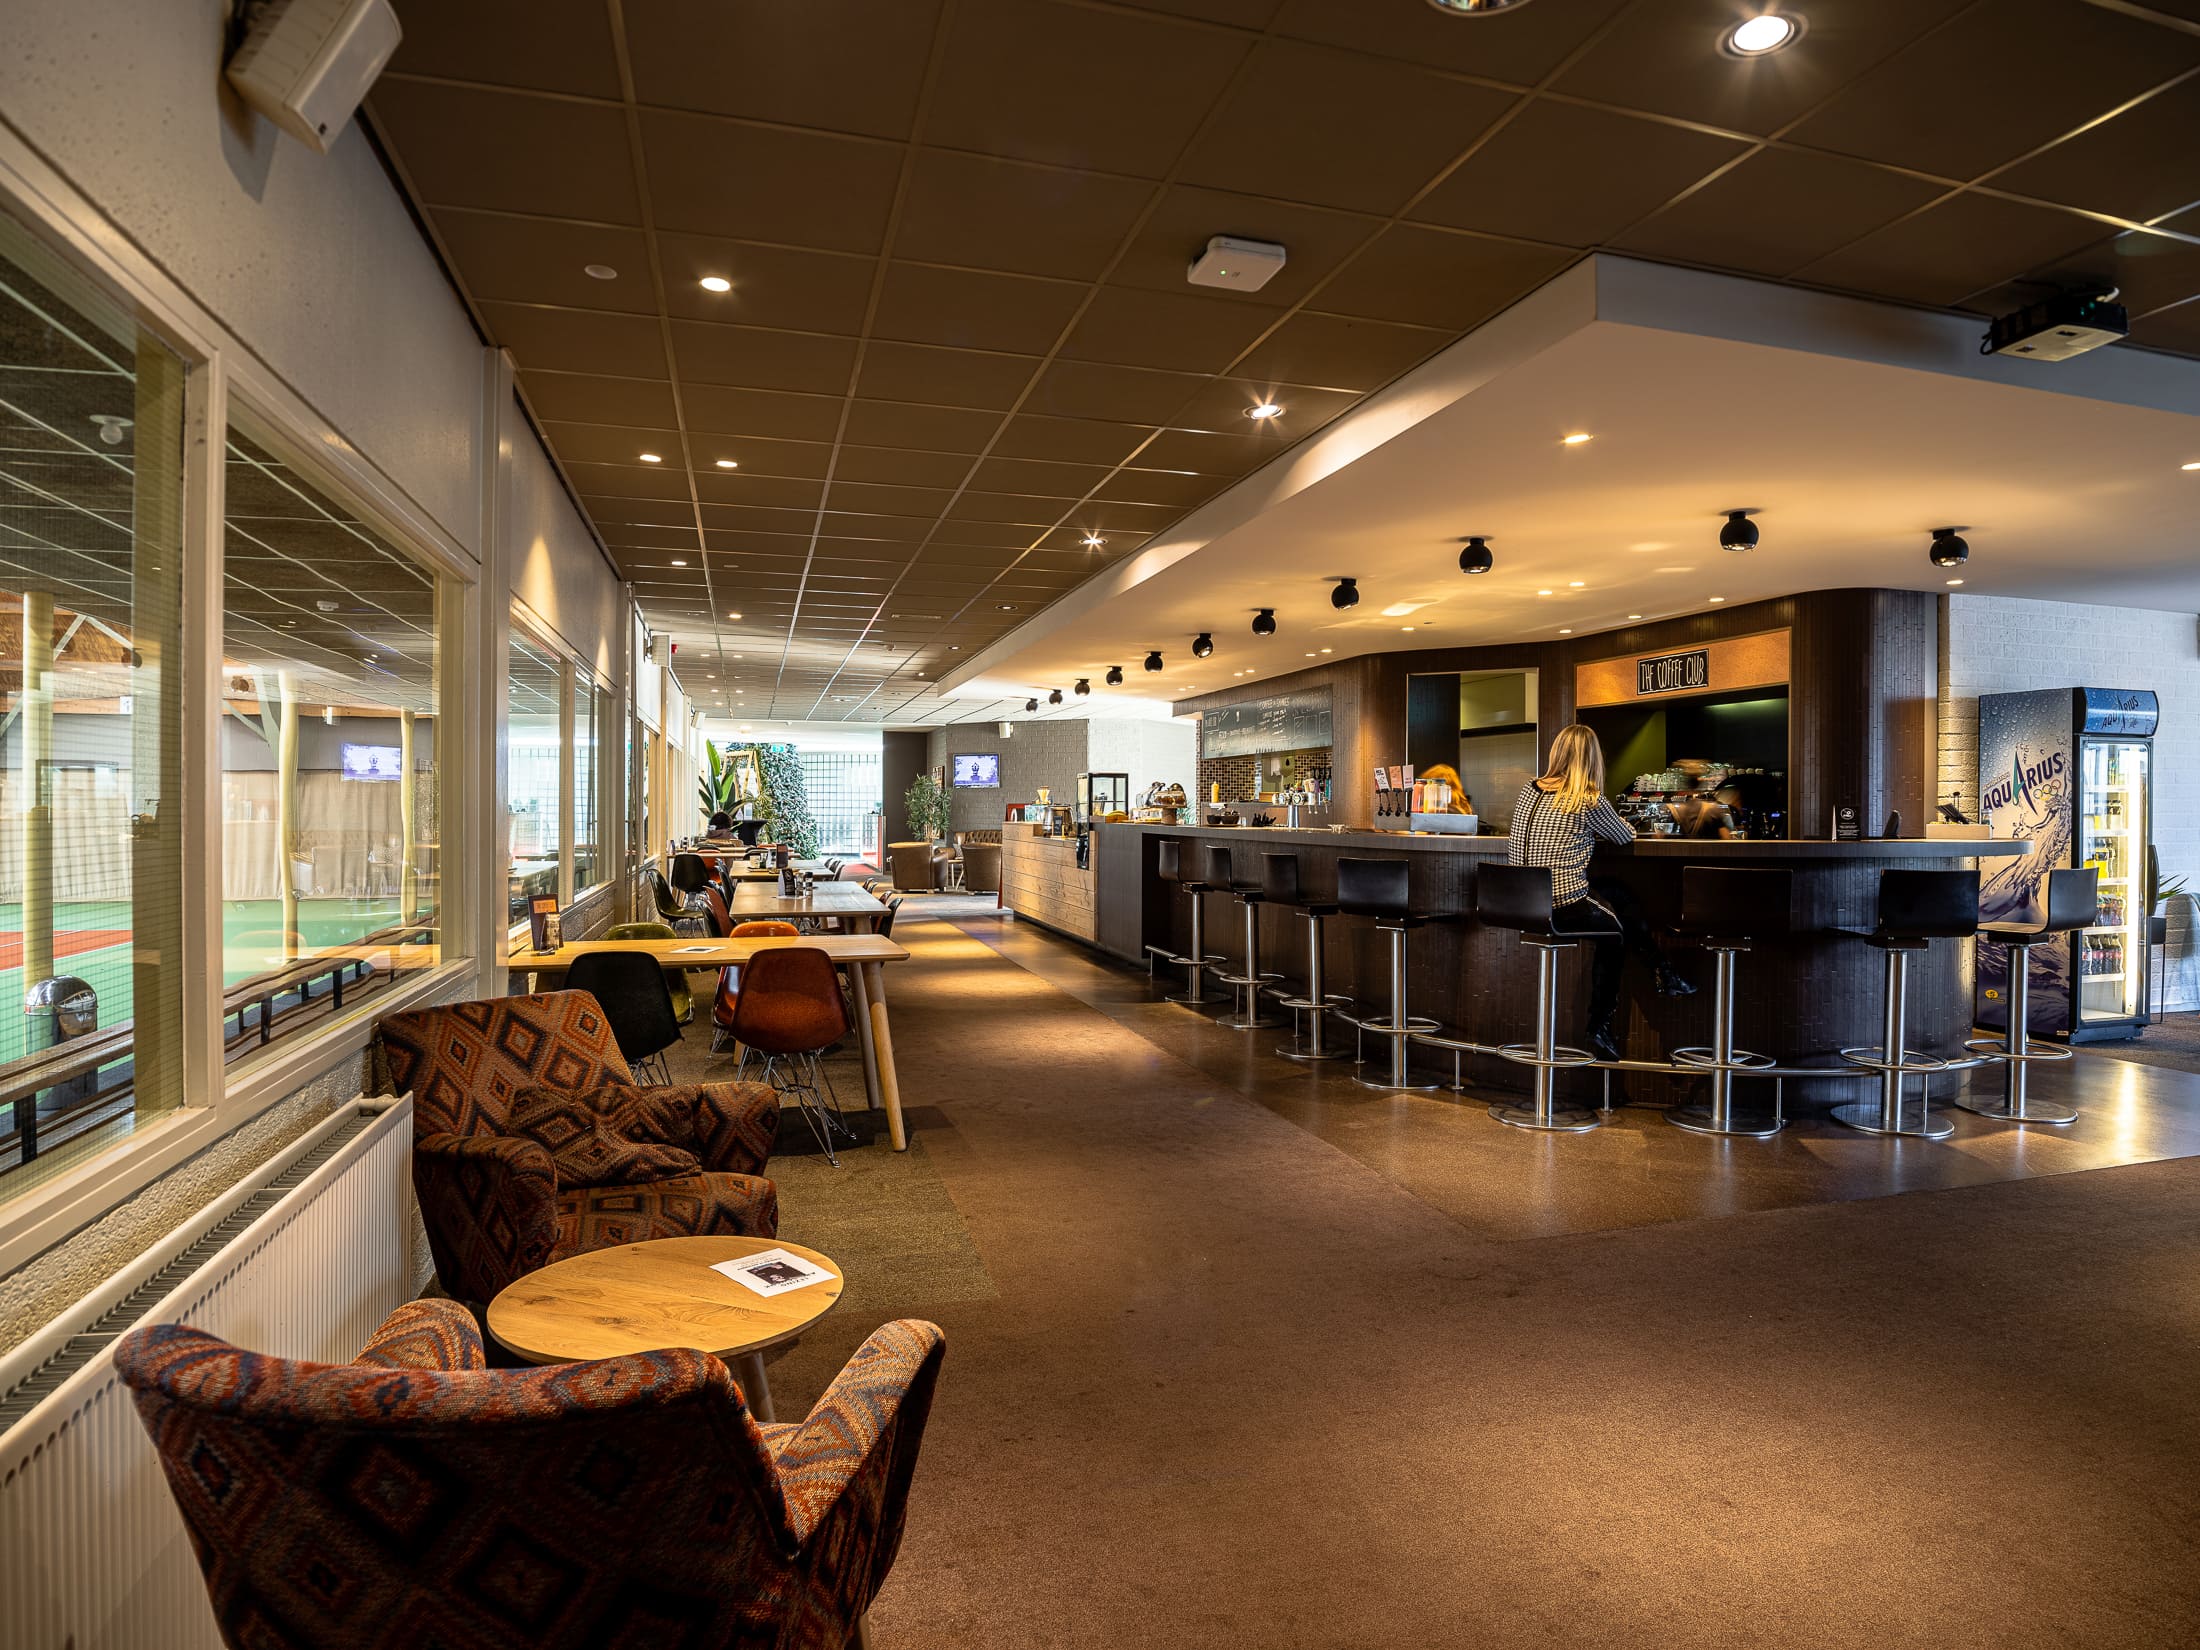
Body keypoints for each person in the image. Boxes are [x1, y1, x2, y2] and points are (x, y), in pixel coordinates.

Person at [1508, 724, 1693, 1062]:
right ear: (1592, 758)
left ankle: (1665, 974)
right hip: (1561, 903)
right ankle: (1600, 1023)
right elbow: (1625, 835)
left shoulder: (1528, 790)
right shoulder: (1587, 798)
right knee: (1616, 933)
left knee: (1618, 895)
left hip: (1520, 901)